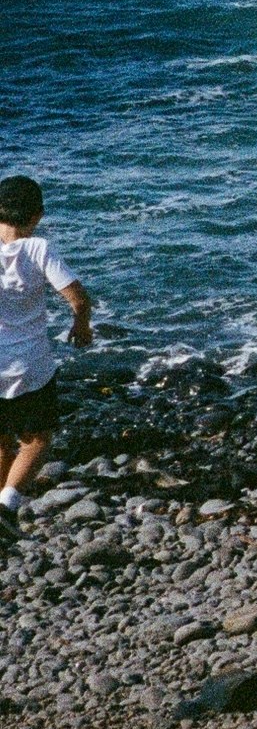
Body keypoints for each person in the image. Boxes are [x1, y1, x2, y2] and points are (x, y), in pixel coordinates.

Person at [0, 177, 93, 541]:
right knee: (37, 439)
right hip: (29, 365)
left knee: (1, 442)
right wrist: (81, 326)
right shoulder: (39, 249)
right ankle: (7, 506)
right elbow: (78, 298)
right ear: (37, 215)